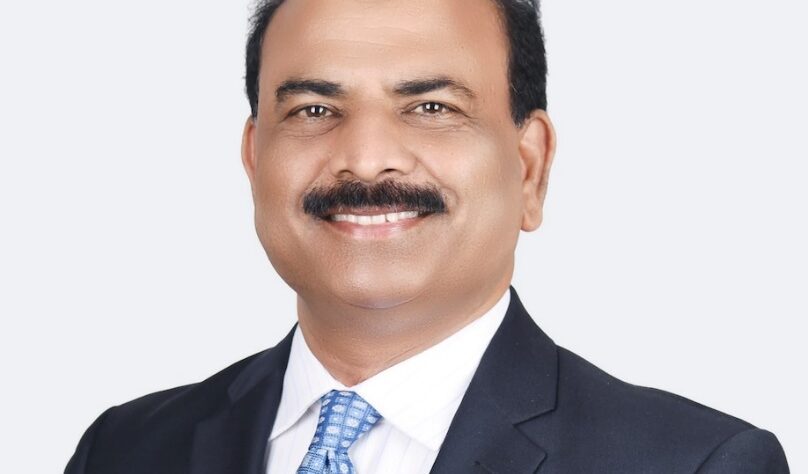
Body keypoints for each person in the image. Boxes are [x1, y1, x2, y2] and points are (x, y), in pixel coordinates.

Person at [65, 0, 790, 472]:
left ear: (529, 166)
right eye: (314, 110)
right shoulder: (126, 450)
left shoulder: (694, 464)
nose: (365, 158)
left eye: (431, 107)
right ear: (255, 159)